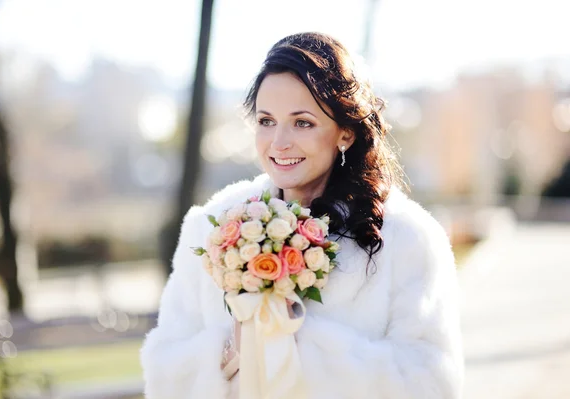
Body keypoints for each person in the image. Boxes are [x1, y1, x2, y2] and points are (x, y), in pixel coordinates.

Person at [140, 32, 464, 399]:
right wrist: (235, 348)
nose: (278, 142)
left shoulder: (408, 238)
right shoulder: (212, 227)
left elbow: (431, 382)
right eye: (266, 121)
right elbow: (165, 374)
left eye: (302, 122)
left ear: (344, 132)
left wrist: (291, 344)